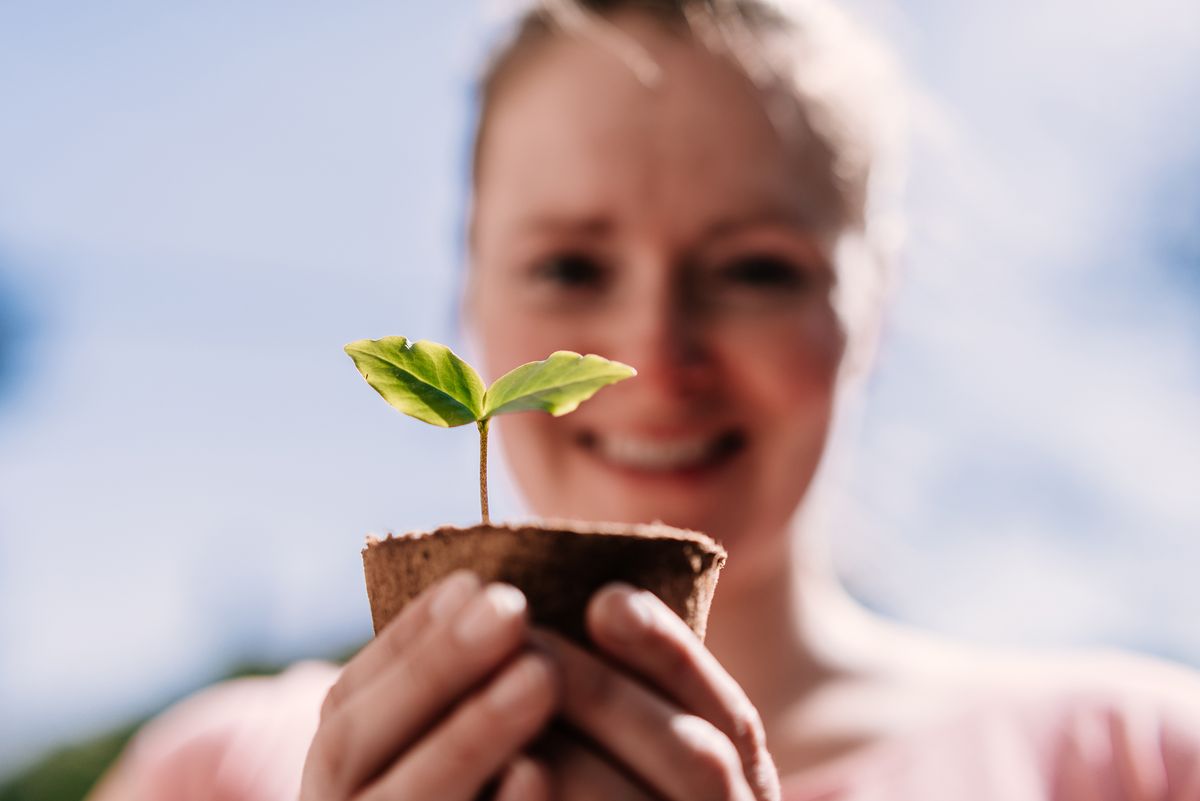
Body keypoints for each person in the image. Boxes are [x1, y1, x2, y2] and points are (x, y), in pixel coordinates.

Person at [90, 1, 1200, 799]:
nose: (655, 360)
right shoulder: (221, 774)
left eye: (756, 270)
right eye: (570, 268)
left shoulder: (1133, 763)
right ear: (466, 284)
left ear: (875, 305)